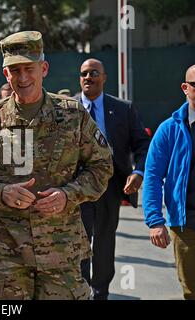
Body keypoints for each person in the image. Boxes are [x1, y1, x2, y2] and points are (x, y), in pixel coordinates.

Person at [0, 31, 113, 300]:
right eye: (14, 70)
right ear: (5, 73)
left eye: (29, 69)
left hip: (61, 253)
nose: (22, 78)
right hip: (7, 254)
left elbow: (101, 167)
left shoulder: (72, 114)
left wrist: (68, 194)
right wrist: (0, 192)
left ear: (43, 68)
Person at [75, 58, 151, 300]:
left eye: (94, 72)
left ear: (104, 77)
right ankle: (79, 287)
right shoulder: (67, 107)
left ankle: (100, 291)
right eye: (84, 73)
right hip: (75, 188)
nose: (88, 77)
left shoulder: (122, 108)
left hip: (109, 187)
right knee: (78, 239)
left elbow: (142, 144)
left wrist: (138, 172)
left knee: (105, 241)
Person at [143, 64, 195, 300]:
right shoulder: (169, 129)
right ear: (185, 88)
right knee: (192, 290)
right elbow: (153, 176)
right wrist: (155, 220)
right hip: (186, 225)